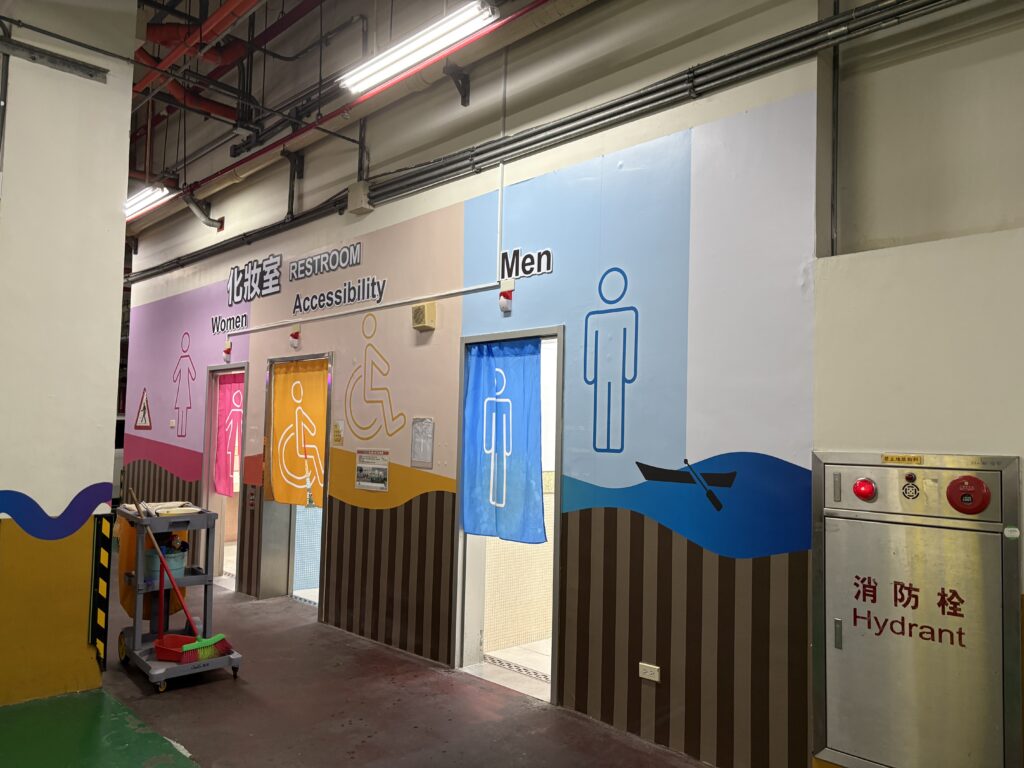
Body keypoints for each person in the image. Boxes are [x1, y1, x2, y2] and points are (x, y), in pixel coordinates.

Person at [583, 268, 638, 453]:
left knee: (615, 407)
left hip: (616, 372)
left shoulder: (627, 315)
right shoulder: (594, 318)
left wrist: (629, 373)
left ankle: (614, 441)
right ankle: (602, 441)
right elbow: (591, 347)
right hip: (602, 372)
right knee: (601, 407)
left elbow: (629, 344)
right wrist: (590, 374)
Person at [483, 368, 513, 507]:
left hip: (501, 444)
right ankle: (494, 499)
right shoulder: (491, 403)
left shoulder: (505, 403)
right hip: (497, 445)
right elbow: (487, 426)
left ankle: (499, 500)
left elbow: (508, 428)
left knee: (500, 472)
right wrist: (488, 446)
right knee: (495, 472)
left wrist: (507, 448)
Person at [172, 332, 196, 438]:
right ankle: (182, 432)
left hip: (181, 389)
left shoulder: (181, 360)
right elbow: (193, 374)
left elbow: (175, 376)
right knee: (184, 411)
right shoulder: (187, 360)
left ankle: (180, 431)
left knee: (181, 411)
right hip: (185, 389)